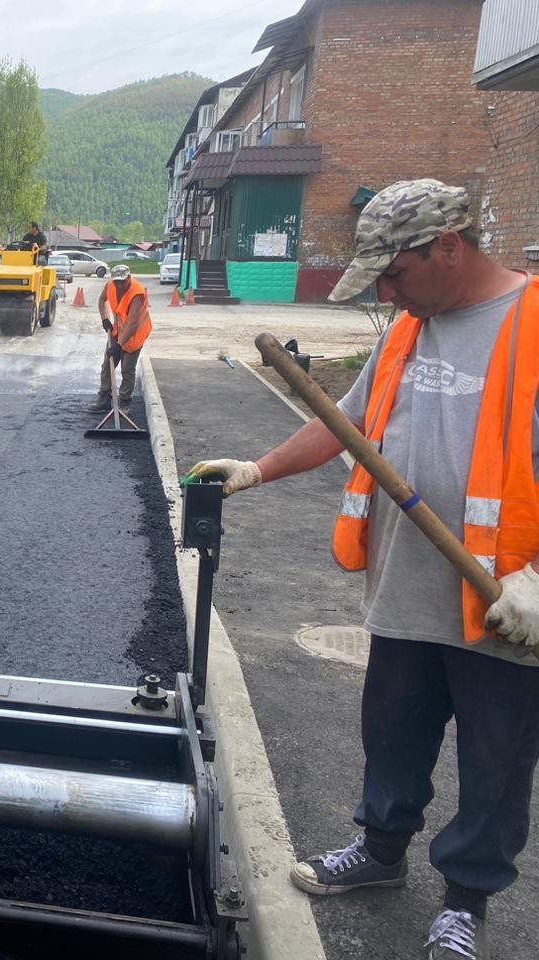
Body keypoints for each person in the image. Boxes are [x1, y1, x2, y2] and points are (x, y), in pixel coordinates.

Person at [184, 179, 539, 960]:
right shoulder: (410, 329)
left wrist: (538, 580)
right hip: (408, 590)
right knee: (393, 734)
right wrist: (258, 469)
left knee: (496, 763)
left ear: (449, 247)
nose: (387, 293)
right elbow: (346, 422)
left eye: (396, 274)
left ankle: (467, 903)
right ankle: (381, 852)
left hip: (505, 605)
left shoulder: (533, 324)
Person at [88, 264, 151, 412]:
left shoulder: (137, 292)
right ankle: (104, 398)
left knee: (127, 368)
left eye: (122, 281)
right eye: (117, 282)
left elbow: (133, 323)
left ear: (129, 277)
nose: (120, 285)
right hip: (119, 330)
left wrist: (119, 345)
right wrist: (104, 318)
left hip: (135, 333)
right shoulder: (110, 285)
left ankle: (124, 402)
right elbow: (102, 299)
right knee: (107, 364)